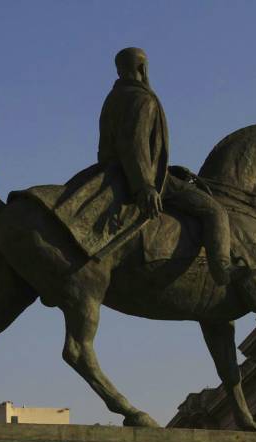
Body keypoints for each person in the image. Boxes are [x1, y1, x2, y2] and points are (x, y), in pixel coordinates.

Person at [98, 47, 235, 284]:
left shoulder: (114, 97)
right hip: (144, 179)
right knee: (215, 211)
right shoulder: (141, 98)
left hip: (116, 172)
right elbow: (134, 144)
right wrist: (145, 186)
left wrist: (168, 170)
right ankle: (222, 270)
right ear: (143, 68)